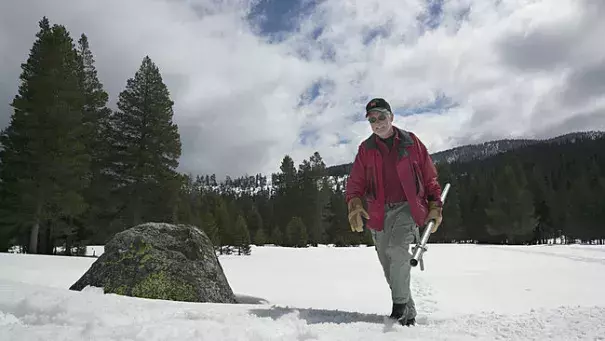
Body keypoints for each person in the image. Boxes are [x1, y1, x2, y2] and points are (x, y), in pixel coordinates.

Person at [345, 97, 443, 326]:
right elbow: (355, 184)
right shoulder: (366, 149)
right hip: (377, 212)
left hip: (407, 207)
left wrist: (435, 205)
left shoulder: (411, 143)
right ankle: (407, 314)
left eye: (381, 117)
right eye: (372, 120)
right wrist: (355, 205)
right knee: (388, 264)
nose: (378, 123)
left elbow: (430, 178)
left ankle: (398, 306)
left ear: (391, 117)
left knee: (398, 248)